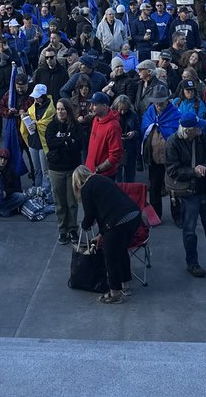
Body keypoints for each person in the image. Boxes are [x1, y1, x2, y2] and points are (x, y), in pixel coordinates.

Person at [166, 112, 206, 278]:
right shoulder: (173, 142)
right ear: (189, 130)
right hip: (189, 192)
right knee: (189, 230)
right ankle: (192, 263)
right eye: (197, 128)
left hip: (205, 189)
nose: (200, 129)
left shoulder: (202, 139)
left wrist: (204, 167)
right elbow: (173, 170)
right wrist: (193, 172)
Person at [74, 165, 141, 305]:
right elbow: (108, 210)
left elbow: (90, 215)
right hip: (133, 216)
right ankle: (125, 285)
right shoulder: (102, 179)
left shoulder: (86, 188)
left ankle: (114, 293)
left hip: (117, 222)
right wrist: (101, 234)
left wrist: (84, 226)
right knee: (121, 251)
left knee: (110, 257)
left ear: (77, 182)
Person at [44, 98, 83, 244]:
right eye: (58, 109)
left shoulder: (76, 126)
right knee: (59, 202)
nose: (60, 112)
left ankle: (72, 229)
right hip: (56, 170)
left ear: (68, 110)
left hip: (72, 169)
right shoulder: (52, 125)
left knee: (72, 202)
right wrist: (67, 140)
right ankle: (62, 230)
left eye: (63, 109)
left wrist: (62, 143)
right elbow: (50, 143)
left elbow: (78, 145)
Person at [85, 93, 123, 178]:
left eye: (94, 105)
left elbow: (115, 155)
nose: (91, 107)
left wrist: (98, 169)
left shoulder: (113, 126)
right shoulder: (96, 119)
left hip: (104, 175)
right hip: (91, 171)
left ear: (105, 106)